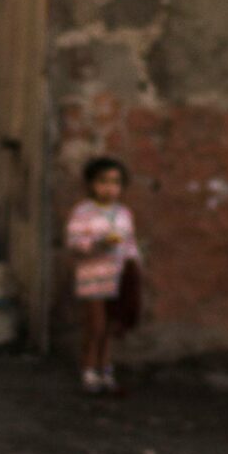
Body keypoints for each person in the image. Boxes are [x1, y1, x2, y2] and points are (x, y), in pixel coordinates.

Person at [65, 155, 140, 393]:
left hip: (117, 276)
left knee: (109, 327)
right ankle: (88, 370)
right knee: (95, 326)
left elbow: (129, 243)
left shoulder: (123, 214)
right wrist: (98, 243)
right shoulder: (83, 212)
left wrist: (134, 266)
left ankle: (105, 370)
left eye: (115, 182)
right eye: (103, 182)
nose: (109, 188)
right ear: (91, 184)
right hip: (93, 276)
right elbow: (75, 242)